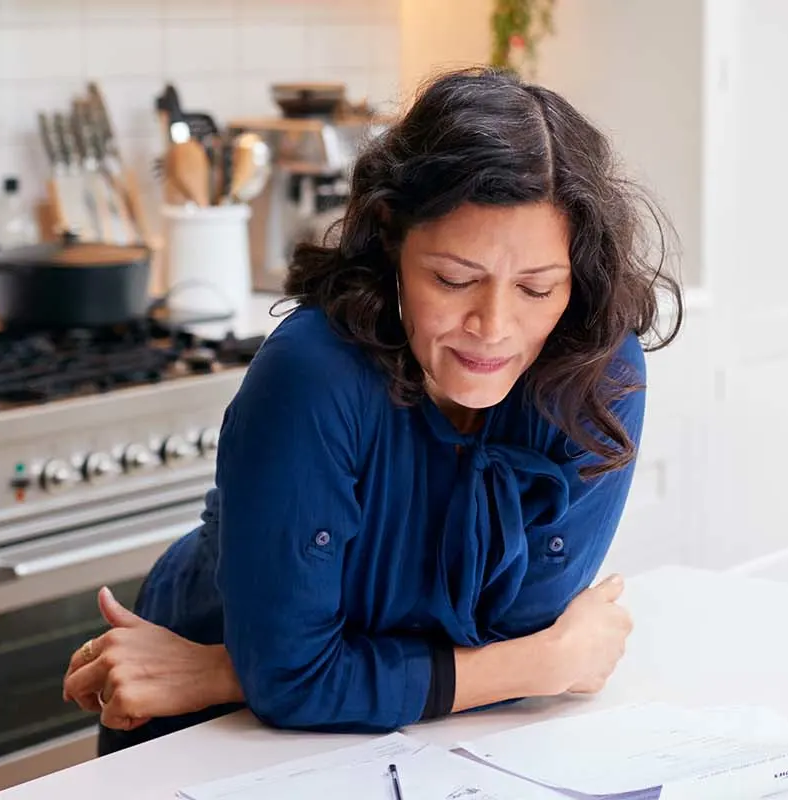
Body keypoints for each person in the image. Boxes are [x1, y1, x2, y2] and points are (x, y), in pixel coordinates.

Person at [59, 67, 682, 753]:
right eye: (454, 279)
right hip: (214, 733)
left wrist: (238, 671)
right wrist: (546, 663)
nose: (493, 325)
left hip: (375, 726)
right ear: (391, 236)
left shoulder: (600, 373)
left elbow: (507, 641)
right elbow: (529, 659)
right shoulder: (312, 374)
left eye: (537, 288)